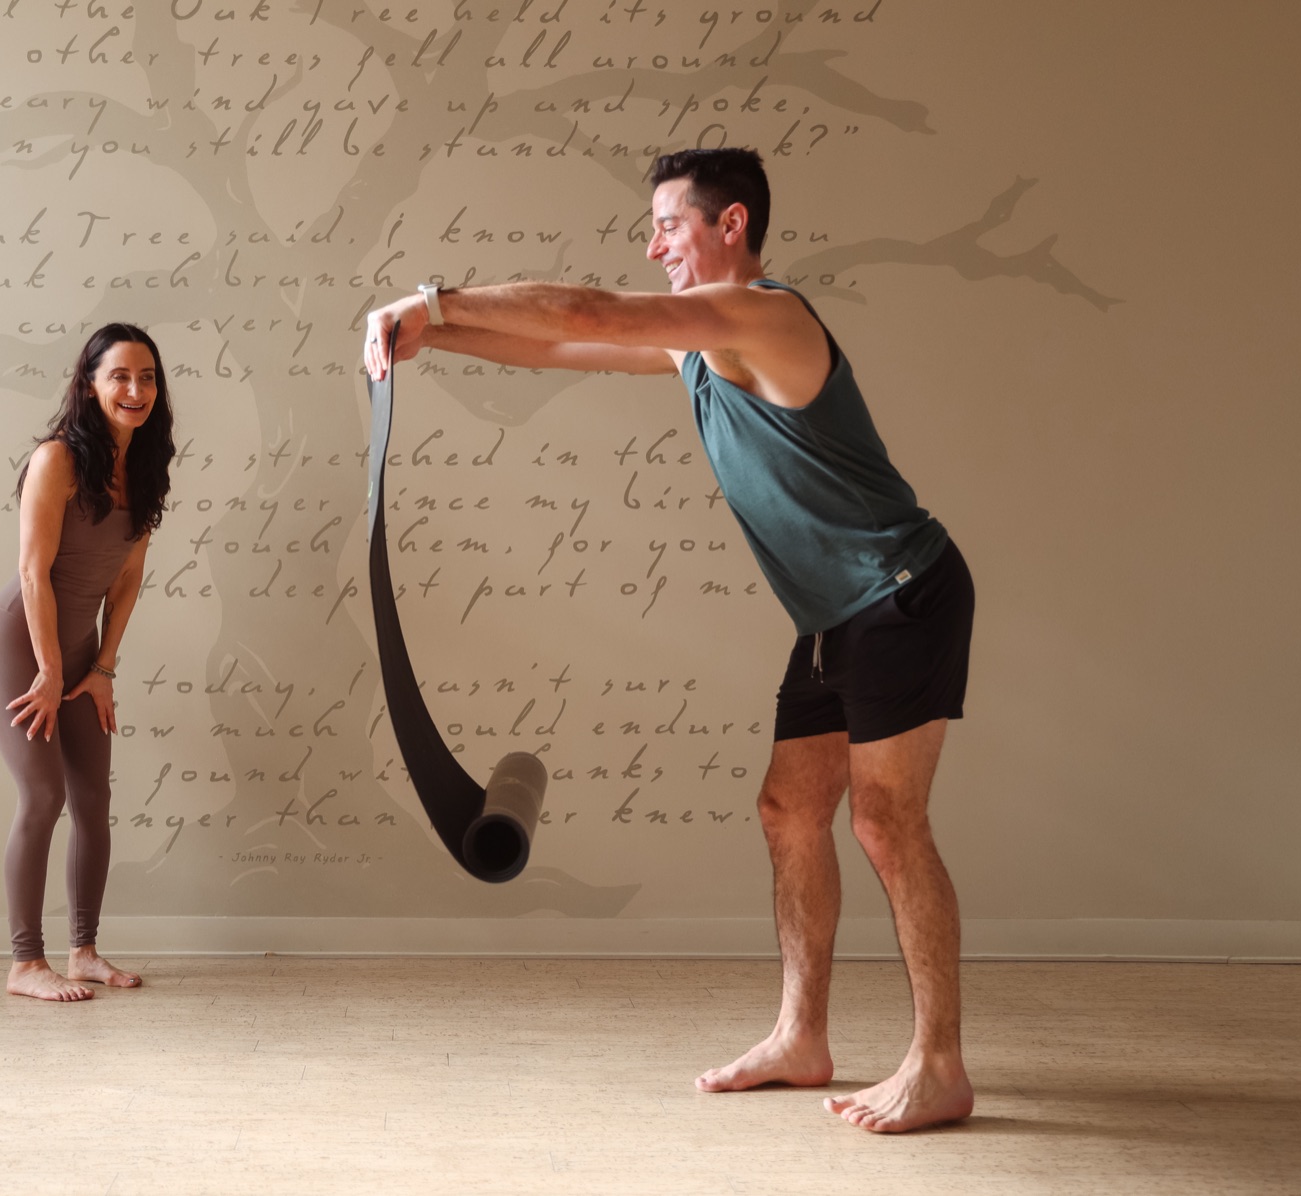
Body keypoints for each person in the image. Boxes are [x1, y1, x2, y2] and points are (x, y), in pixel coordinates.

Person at [363, 148, 976, 1133]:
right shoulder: (698, 343)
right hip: (833, 614)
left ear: (732, 224)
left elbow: (597, 314)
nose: (653, 245)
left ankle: (939, 1064)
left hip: (903, 595)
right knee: (787, 809)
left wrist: (432, 298)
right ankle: (800, 1034)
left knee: (885, 822)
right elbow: (560, 349)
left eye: (669, 224)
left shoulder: (765, 316)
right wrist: (437, 338)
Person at [0, 323, 176, 1001]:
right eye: (119, 375)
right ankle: (25, 964)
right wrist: (50, 669)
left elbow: (126, 579)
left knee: (94, 799)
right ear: (89, 385)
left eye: (147, 377)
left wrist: (103, 666)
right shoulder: (56, 459)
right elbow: (33, 573)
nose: (135, 389)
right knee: (44, 795)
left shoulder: (146, 466)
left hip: (82, 649)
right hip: (19, 643)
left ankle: (84, 951)